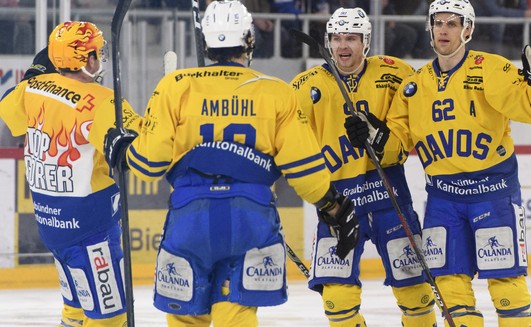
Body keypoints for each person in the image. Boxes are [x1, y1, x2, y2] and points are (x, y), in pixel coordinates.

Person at [103, 1, 359, 326]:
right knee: (236, 316)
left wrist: (124, 149)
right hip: (250, 220)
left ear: (206, 43)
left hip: (190, 220)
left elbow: (148, 164)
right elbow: (306, 172)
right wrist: (333, 206)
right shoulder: (276, 92)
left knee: (186, 319)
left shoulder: (175, 86)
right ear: (249, 40)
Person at [345, 0, 531, 326]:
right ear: (429, 29)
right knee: (450, 294)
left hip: (494, 194)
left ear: (468, 30)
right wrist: (373, 137)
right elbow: (396, 148)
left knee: (508, 293)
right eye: (438, 23)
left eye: (452, 23)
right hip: (443, 201)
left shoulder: (490, 68)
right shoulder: (413, 86)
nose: (443, 29)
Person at [290, 7, 437, 327]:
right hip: (338, 205)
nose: (344, 46)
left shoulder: (395, 73)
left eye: (352, 38)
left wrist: (382, 138)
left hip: (389, 197)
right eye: (337, 38)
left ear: (366, 42)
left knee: (416, 295)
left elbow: (419, 125)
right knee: (337, 302)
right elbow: (281, 135)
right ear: (328, 43)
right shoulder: (305, 85)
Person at [0, 21, 142, 327]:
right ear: (87, 59)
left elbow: (7, 106)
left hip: (52, 226)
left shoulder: (30, 89)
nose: (100, 58)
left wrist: (39, 77)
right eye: (97, 53)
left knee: (76, 310)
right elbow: (144, 149)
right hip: (92, 231)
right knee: (110, 317)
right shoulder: (104, 101)